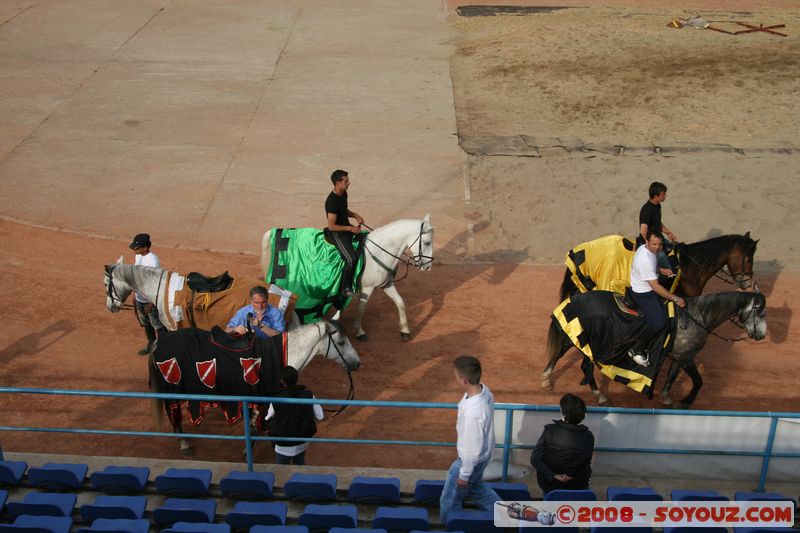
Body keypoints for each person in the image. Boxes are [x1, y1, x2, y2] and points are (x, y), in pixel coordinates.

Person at [439, 355, 500, 524]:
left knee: (449, 501)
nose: (455, 379)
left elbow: (472, 448)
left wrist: (464, 475)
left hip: (469, 463)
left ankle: (449, 526)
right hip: (483, 456)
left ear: (464, 380)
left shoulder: (474, 413)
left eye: (456, 376)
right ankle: (508, 514)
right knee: (477, 490)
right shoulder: (484, 390)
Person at [628, 230, 686, 366]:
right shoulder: (645, 260)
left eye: (659, 244)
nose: (657, 247)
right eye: (654, 244)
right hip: (643, 293)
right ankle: (635, 350)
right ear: (647, 241)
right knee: (660, 323)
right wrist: (676, 298)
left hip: (646, 285)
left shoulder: (645, 249)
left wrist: (660, 270)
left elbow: (652, 267)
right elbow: (655, 287)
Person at [530, 393, 595, 495]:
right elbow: (585, 462)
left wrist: (554, 475)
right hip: (577, 485)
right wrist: (570, 476)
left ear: (562, 411)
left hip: (550, 485)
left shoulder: (549, 430)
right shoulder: (589, 436)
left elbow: (535, 460)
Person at [265, 366, 323, 465]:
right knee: (300, 466)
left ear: (282, 381)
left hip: (283, 445)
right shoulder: (309, 395)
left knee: (280, 472)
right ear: (297, 379)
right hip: (302, 442)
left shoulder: (277, 399)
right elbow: (320, 416)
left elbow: (267, 417)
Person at [325, 169, 364, 298]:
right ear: (337, 183)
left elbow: (343, 210)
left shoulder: (343, 194)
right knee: (351, 259)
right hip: (337, 233)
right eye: (346, 181)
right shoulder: (331, 201)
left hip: (346, 228)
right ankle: (345, 287)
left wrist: (354, 215)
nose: (349, 183)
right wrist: (349, 228)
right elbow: (331, 226)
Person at [130, 233, 164, 355]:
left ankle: (162, 348)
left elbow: (157, 281)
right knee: (146, 323)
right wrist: (134, 293)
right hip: (140, 298)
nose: (135, 249)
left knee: (158, 325)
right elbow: (135, 276)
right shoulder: (138, 257)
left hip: (150, 300)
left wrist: (151, 301)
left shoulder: (152, 260)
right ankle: (151, 343)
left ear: (145, 248)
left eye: (137, 247)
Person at [637, 181, 677, 276]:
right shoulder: (647, 209)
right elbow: (643, 231)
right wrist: (654, 245)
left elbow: (658, 223)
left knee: (677, 249)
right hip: (649, 242)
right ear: (656, 196)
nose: (665, 196)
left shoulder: (657, 206)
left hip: (657, 239)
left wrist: (669, 233)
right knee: (665, 264)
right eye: (663, 194)